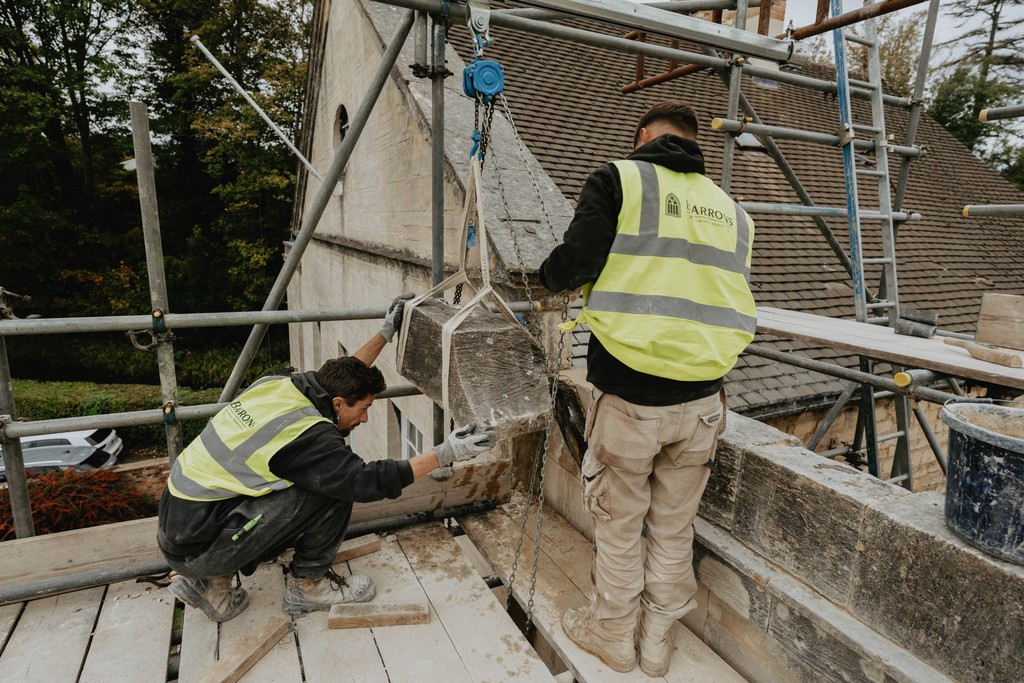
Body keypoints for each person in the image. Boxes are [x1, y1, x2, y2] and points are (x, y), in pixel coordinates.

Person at [539, 100, 756, 675]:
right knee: (673, 528)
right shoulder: (734, 211)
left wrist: (547, 276)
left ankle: (613, 637)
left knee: (619, 526)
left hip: (631, 397)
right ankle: (657, 643)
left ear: (643, 139)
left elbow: (580, 259)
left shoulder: (620, 177)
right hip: (705, 401)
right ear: (693, 145)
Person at [158, 295, 496, 622]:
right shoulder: (306, 436)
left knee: (307, 480)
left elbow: (338, 375)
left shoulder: (281, 385)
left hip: (185, 524)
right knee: (332, 489)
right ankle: (305, 586)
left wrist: (385, 333)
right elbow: (365, 481)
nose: (364, 420)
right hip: (199, 547)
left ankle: (209, 584)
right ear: (337, 404)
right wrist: (445, 453)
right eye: (363, 410)